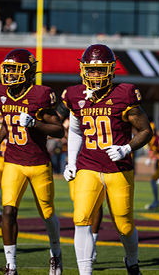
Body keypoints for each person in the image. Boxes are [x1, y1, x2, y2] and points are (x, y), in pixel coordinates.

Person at [62, 44, 152, 275]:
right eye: (91, 71)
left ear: (111, 70)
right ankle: (85, 272)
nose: (95, 75)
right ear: (83, 70)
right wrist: (71, 161)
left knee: (124, 225)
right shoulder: (75, 94)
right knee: (81, 218)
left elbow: (145, 130)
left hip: (118, 168)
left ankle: (132, 262)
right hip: (88, 166)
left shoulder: (124, 93)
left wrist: (126, 149)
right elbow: (74, 130)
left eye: (100, 70)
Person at [0, 48, 64, 275]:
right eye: (8, 69)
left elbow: (59, 130)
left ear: (29, 71)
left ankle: (55, 253)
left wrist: (35, 123)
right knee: (8, 211)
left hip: (39, 163)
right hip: (13, 161)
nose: (10, 74)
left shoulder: (40, 94)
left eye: (15, 70)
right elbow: (7, 120)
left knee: (47, 213)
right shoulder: (0, 92)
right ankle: (11, 264)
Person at [56, 101, 103, 263]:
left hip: (94, 161)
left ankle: (93, 244)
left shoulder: (94, 110)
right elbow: (59, 128)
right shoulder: (71, 113)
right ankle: (88, 244)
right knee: (79, 205)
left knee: (96, 205)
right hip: (75, 161)